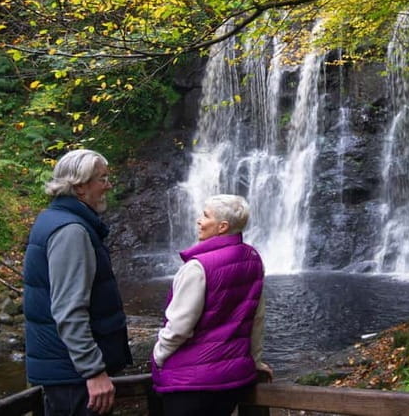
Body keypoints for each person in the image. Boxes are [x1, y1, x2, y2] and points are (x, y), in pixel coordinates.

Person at [23, 149, 132, 416]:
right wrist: (93, 371)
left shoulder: (56, 218)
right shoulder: (71, 231)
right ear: (81, 187)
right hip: (73, 377)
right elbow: (69, 310)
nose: (108, 186)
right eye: (103, 179)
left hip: (66, 371)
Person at [151, 194, 270, 416]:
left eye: (205, 216)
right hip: (231, 380)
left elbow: (179, 327)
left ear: (222, 226)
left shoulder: (197, 267)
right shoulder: (253, 259)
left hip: (189, 383)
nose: (198, 220)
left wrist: (158, 356)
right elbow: (256, 317)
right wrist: (255, 360)